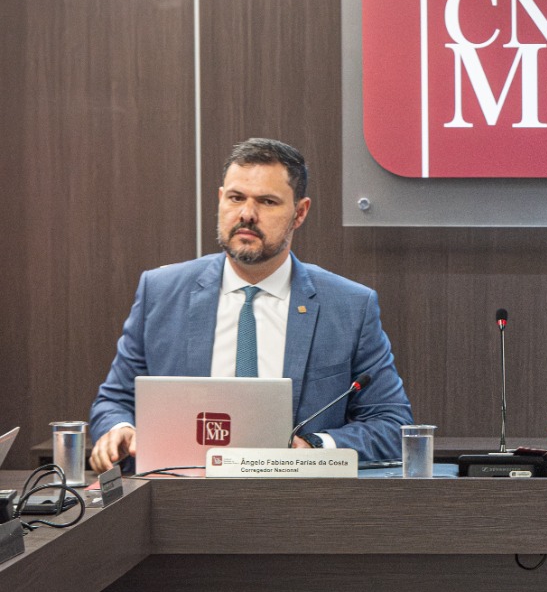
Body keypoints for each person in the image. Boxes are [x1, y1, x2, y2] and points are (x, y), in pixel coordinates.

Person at [88, 138, 413, 470]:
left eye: (267, 202)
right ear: (220, 199)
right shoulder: (161, 292)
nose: (246, 214)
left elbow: (391, 424)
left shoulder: (348, 307)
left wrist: (316, 446)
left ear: (300, 213)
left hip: (296, 496)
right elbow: (114, 401)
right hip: (179, 493)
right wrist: (119, 429)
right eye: (236, 198)